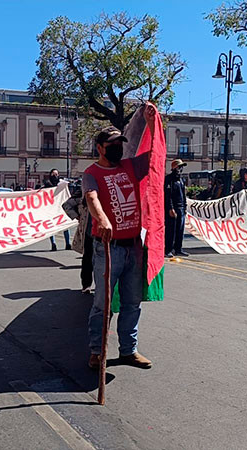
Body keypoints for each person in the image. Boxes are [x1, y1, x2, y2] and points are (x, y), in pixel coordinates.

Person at [82, 104, 158, 371]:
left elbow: (156, 157)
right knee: (102, 305)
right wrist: (101, 219)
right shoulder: (91, 173)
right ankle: (96, 351)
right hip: (107, 248)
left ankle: (129, 350)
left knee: (131, 303)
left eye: (120, 143)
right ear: (100, 147)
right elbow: (92, 198)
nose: (117, 148)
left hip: (133, 247)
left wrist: (152, 123)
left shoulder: (130, 166)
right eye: (112, 144)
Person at [64, 185, 94, 293]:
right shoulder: (81, 194)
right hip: (88, 232)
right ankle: (86, 284)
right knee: (88, 259)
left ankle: (100, 285)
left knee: (100, 261)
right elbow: (66, 205)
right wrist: (78, 216)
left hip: (101, 232)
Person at [164, 159, 189, 257]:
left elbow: (183, 195)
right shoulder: (169, 179)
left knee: (180, 230)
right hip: (173, 209)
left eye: (182, 166)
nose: (181, 169)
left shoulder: (181, 180)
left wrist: (185, 207)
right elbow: (167, 195)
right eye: (179, 166)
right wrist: (170, 208)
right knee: (171, 231)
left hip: (181, 208)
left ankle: (178, 249)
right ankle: (168, 250)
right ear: (174, 168)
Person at [44, 168, 71, 250]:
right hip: (51, 208)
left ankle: (68, 244)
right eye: (53, 174)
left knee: (65, 225)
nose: (55, 176)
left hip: (61, 207)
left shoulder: (61, 183)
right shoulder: (47, 184)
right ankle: (53, 244)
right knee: (51, 226)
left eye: (56, 174)